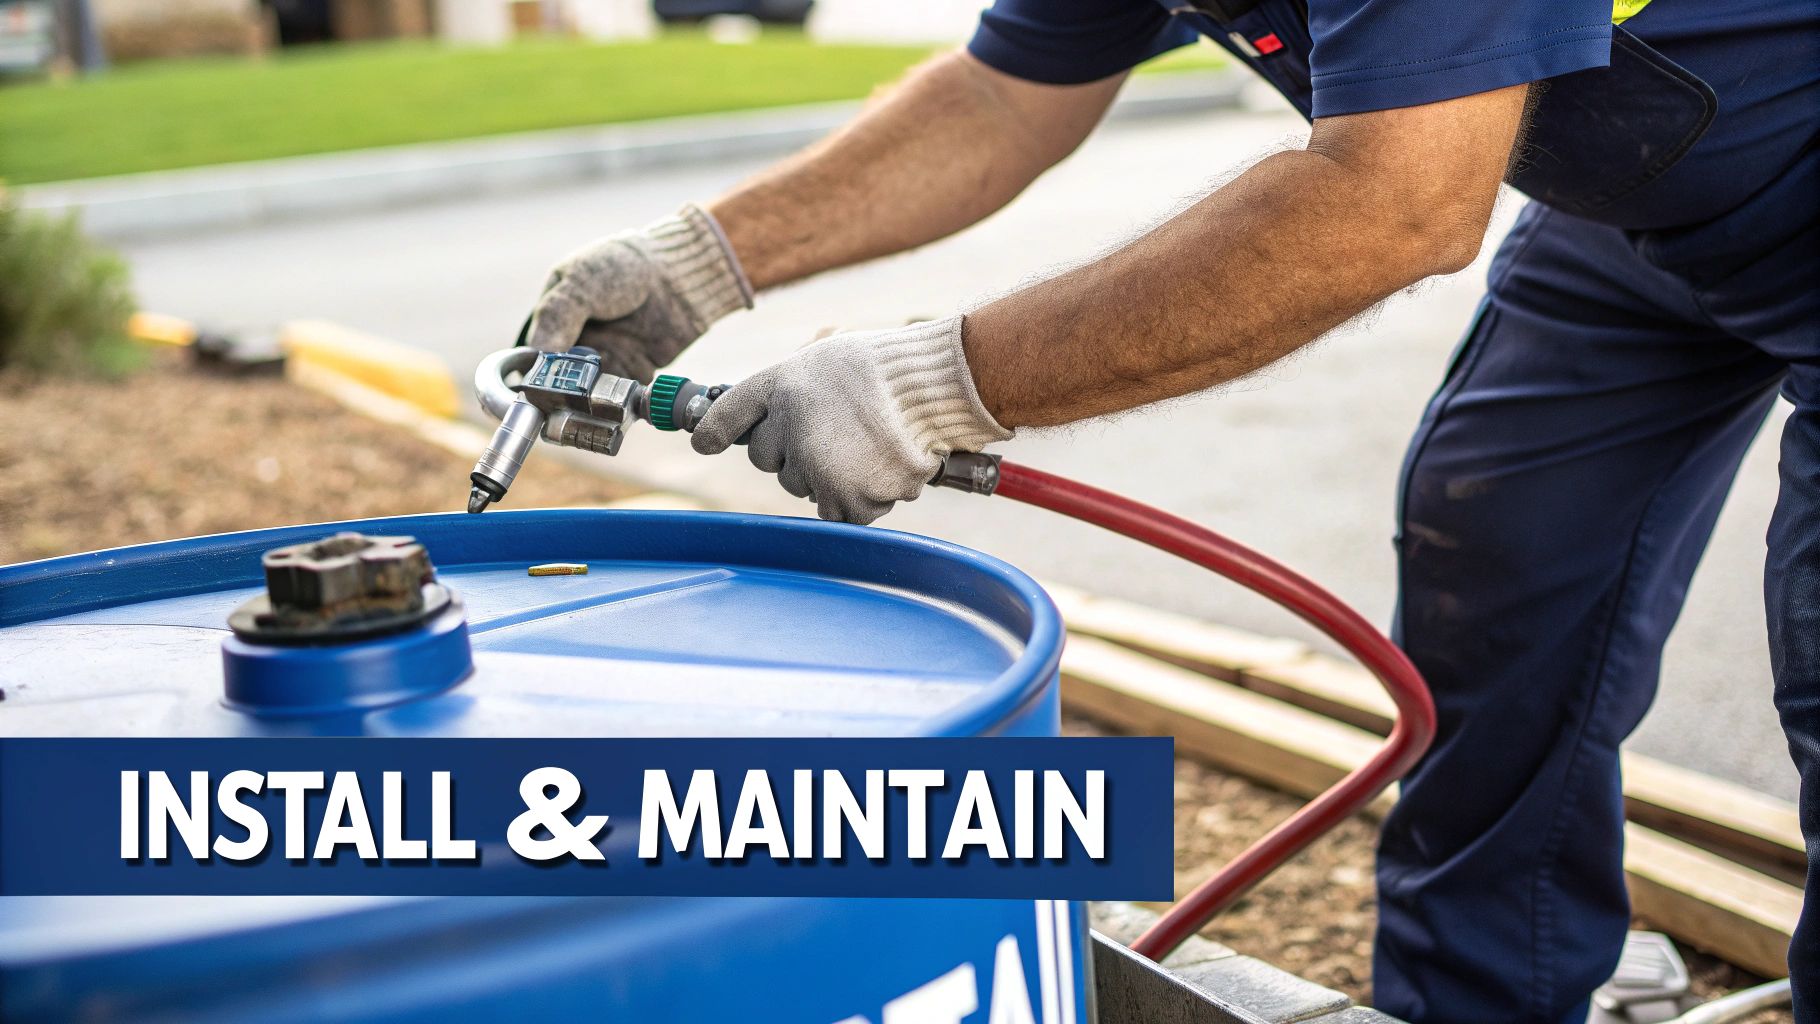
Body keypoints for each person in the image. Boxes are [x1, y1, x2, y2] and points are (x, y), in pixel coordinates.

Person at [523, 2, 1819, 1019]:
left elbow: (1394, 200)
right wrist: (697, 262)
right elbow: (1000, 95)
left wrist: (930, 386)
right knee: (1502, 570)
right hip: (1647, 210)